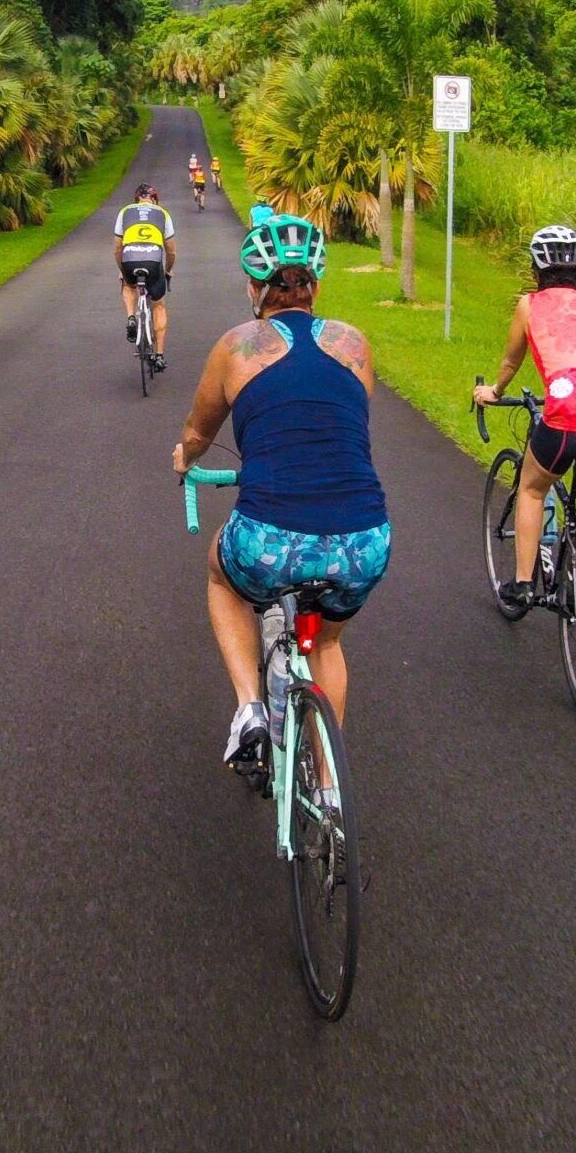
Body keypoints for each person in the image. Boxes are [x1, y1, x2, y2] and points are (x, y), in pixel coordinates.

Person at [172, 209, 390, 766]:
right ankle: (326, 777)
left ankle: (248, 708)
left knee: (222, 576)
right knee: (330, 642)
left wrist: (184, 458)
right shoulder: (354, 342)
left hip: (270, 539)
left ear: (255, 286)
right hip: (364, 541)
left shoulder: (236, 345)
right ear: (314, 284)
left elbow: (199, 432)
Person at [471, 224, 576, 615]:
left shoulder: (529, 305)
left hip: (569, 412)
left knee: (532, 488)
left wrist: (493, 392)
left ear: (536, 267)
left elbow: (512, 360)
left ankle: (525, 585)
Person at [115, 182, 176, 365]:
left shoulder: (125, 211)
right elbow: (171, 251)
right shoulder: (163, 213)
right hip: (153, 258)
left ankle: (131, 317)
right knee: (158, 305)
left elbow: (117, 248)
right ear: (154, 200)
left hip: (129, 256)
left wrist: (122, 271)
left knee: (128, 285)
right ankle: (159, 355)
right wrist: (168, 270)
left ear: (136, 199)